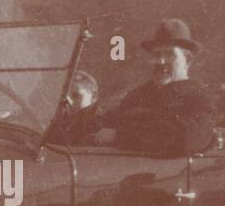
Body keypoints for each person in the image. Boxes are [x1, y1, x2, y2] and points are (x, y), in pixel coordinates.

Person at [90, 19, 217, 156]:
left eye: (169, 55)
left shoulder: (198, 97)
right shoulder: (138, 95)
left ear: (188, 60)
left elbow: (187, 138)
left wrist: (121, 136)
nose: (161, 62)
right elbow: (105, 122)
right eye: (157, 55)